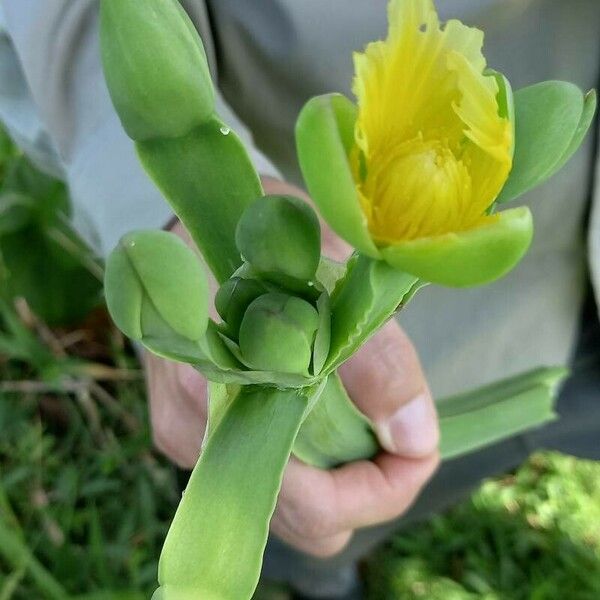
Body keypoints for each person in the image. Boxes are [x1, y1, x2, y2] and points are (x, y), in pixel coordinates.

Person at [0, 1, 599, 598]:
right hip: (432, 352)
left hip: (559, 306)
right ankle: (323, 579)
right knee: (316, 523)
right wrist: (154, 206)